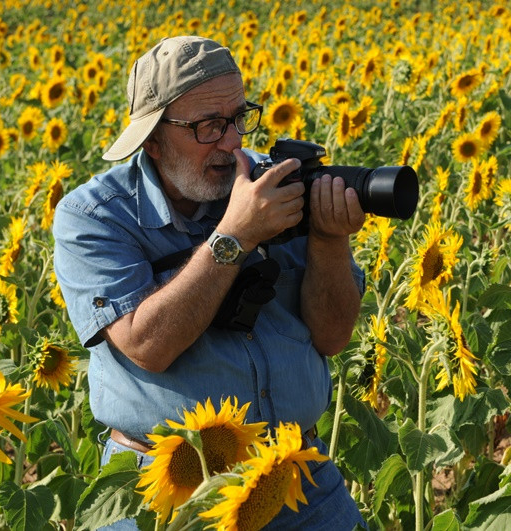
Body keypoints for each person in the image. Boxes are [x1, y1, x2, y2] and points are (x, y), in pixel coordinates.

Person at [52, 36, 367, 530]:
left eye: (239, 118)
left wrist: (329, 240)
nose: (232, 141)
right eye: (208, 126)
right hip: (169, 491)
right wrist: (235, 236)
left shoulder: (273, 182)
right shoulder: (95, 217)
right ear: (152, 139)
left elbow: (332, 336)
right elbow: (145, 345)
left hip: (294, 476)